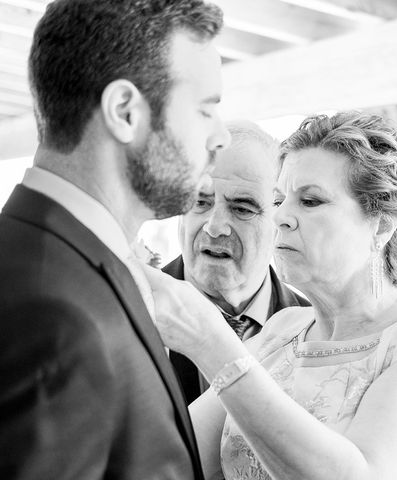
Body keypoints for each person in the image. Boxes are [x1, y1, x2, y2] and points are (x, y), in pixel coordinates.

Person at [145, 111, 397, 480]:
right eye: (278, 201)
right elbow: (167, 457)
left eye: (310, 201)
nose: (280, 218)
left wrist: (212, 343)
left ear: (382, 224)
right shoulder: (282, 332)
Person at [0, 1, 229, 478]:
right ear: (124, 112)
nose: (220, 137)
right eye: (206, 111)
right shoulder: (53, 314)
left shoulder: (56, 261)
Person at [164, 121, 310, 403]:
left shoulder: (313, 329)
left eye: (241, 208)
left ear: (279, 219)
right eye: (200, 202)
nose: (214, 227)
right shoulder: (131, 307)